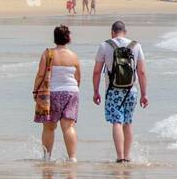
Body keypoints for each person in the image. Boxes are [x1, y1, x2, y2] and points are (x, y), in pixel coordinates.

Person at [92, 20, 148, 163]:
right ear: (125, 32)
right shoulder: (136, 46)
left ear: (112, 32)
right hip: (131, 89)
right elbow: (141, 72)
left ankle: (120, 157)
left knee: (117, 122)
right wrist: (144, 94)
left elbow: (97, 72)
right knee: (128, 122)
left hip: (113, 90)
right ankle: (127, 156)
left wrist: (96, 91)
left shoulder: (105, 45)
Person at [33, 25, 82, 162]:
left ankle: (47, 158)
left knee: (49, 127)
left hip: (52, 93)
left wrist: (35, 90)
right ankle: (72, 158)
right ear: (68, 38)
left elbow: (40, 75)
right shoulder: (74, 56)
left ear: (54, 38)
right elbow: (78, 78)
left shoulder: (48, 53)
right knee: (68, 126)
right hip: (72, 92)